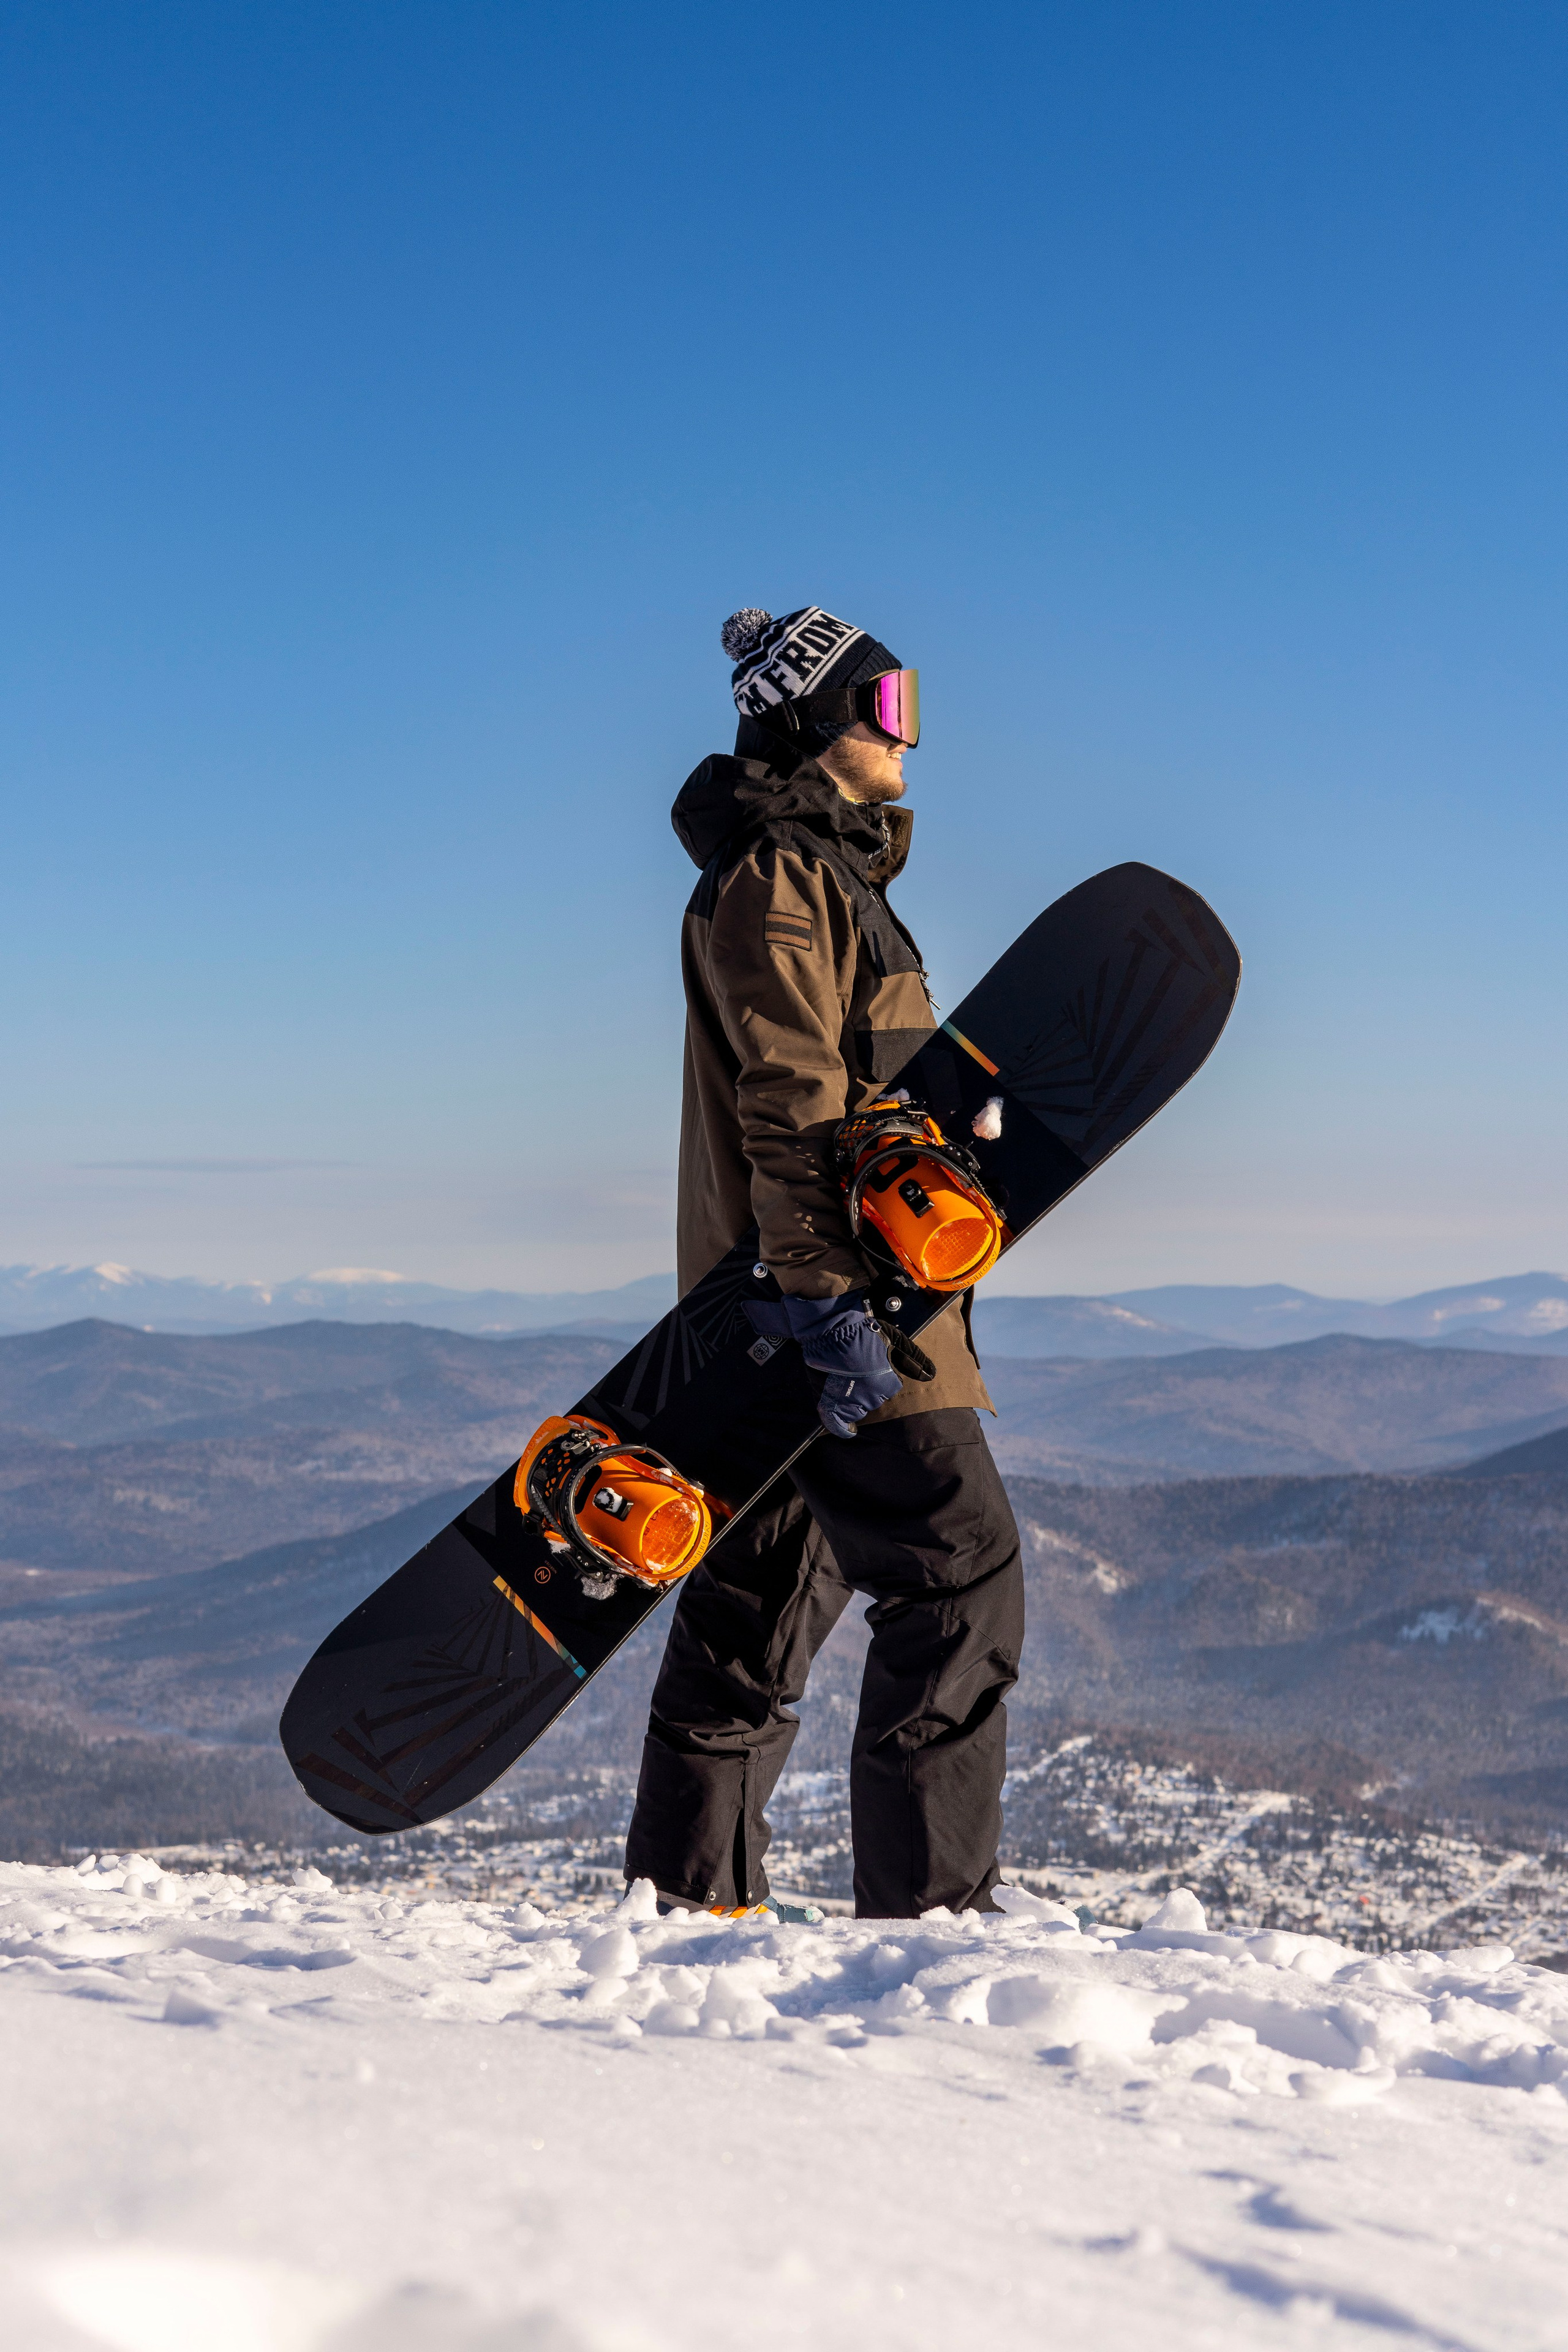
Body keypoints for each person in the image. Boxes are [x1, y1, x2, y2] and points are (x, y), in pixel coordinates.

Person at [622, 606, 1023, 1920]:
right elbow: (791, 1097)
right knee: (956, 1578)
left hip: (787, 1306)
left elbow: (841, 1094)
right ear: (811, 715)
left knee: (752, 1616)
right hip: (841, 1307)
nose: (907, 734)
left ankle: (683, 1916)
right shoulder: (783, 875)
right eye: (885, 705)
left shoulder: (814, 877)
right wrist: (829, 1294)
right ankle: (930, 1928)